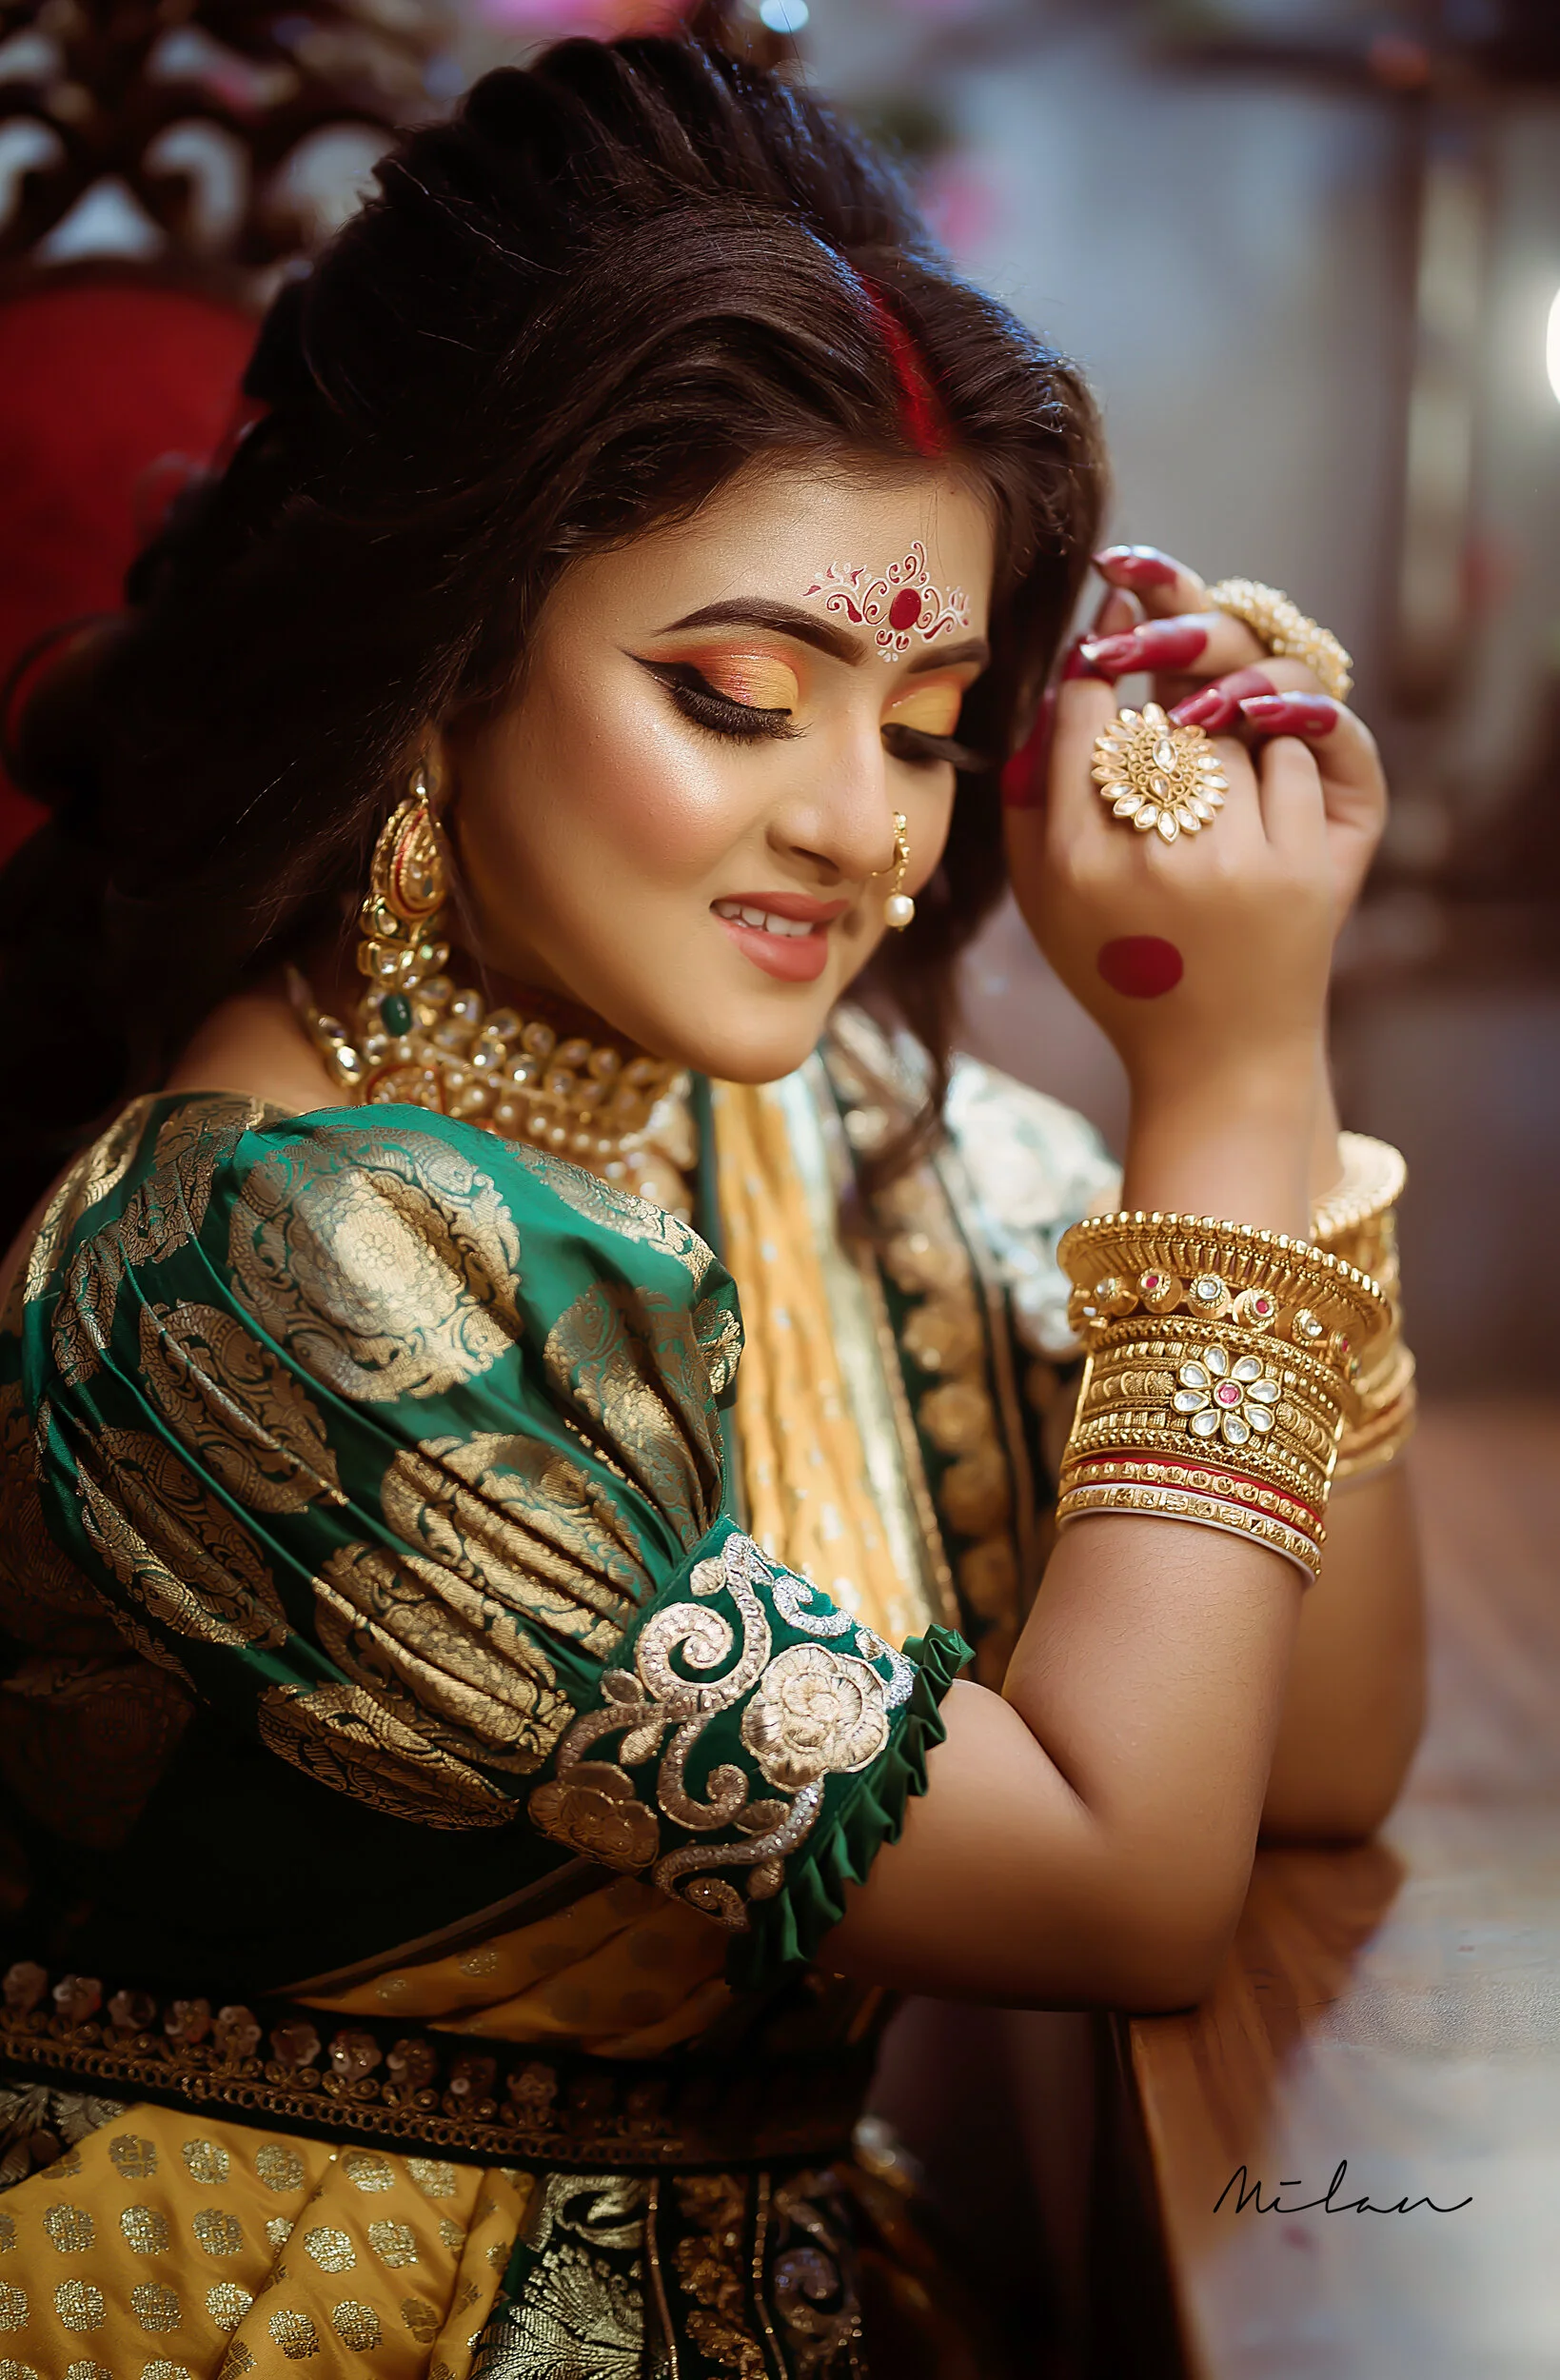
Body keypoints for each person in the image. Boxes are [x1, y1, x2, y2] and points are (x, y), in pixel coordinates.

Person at [0, 32, 1423, 2377]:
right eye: (738, 693)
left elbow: (1319, 1749)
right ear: (444, 654)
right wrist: (1230, 1088)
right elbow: (1122, 1879)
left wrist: (1248, 1051)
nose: (866, 830)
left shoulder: (815, 1114)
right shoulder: (259, 1268)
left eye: (931, 719)